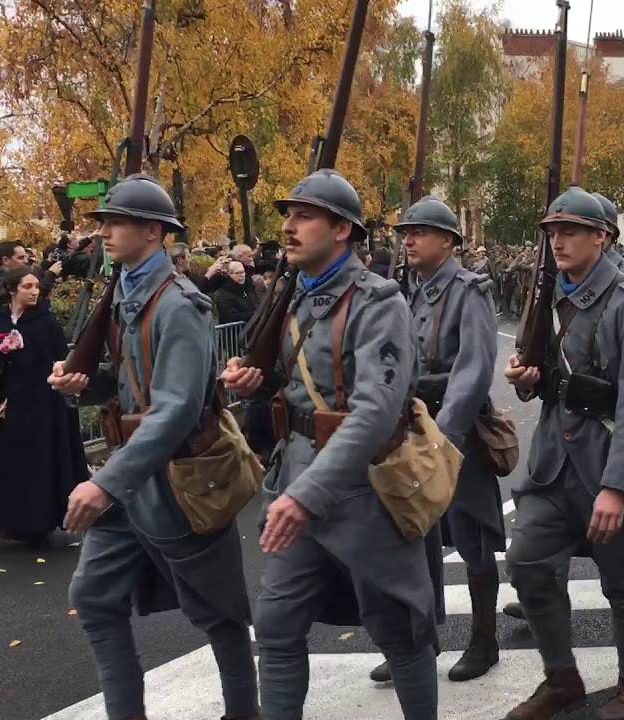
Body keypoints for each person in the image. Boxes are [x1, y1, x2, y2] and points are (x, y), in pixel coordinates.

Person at [221, 169, 438, 720]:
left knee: (399, 629)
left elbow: (374, 413)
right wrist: (260, 382)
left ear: (342, 230)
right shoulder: (295, 295)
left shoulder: (378, 301)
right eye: (288, 216)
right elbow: (301, 390)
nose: (289, 228)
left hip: (366, 494)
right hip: (296, 479)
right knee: (274, 623)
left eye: (304, 216)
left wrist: (305, 496)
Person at [47, 174, 258, 720]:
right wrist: (85, 383)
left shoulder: (180, 304)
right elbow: (128, 379)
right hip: (133, 482)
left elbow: (177, 408)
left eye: (116, 223)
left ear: (152, 231)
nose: (105, 233)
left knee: (221, 616)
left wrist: (103, 483)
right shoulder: (126, 292)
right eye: (104, 222)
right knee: (92, 597)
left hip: (180, 483)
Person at [502, 186, 624, 720]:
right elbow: (548, 374)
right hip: (554, 464)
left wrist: (619, 488)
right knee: (527, 562)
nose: (558, 241)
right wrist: (526, 379)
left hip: (609, 457)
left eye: (570, 231)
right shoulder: (548, 293)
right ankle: (562, 678)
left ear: (603, 236)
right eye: (552, 231)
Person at [367, 196, 503, 684]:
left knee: (473, 540)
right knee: (414, 535)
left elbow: (474, 368)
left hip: (455, 433)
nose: (409, 239)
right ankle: (419, 643)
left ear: (448, 240)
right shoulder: (411, 291)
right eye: (406, 231)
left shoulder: (471, 291)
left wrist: (444, 437)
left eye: (420, 231)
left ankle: (484, 639)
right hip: (414, 429)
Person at [0, 267, 90, 545]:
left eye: (37, 287)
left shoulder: (46, 324)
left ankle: (38, 521)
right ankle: (9, 520)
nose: (34, 292)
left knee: (38, 462)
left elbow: (58, 362)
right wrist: (1, 355)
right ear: (11, 290)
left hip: (39, 406)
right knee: (6, 462)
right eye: (27, 287)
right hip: (4, 406)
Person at [214, 260, 259, 325]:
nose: (241, 275)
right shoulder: (224, 294)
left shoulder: (249, 288)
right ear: (229, 274)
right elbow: (230, 316)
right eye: (237, 273)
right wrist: (254, 314)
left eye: (242, 272)